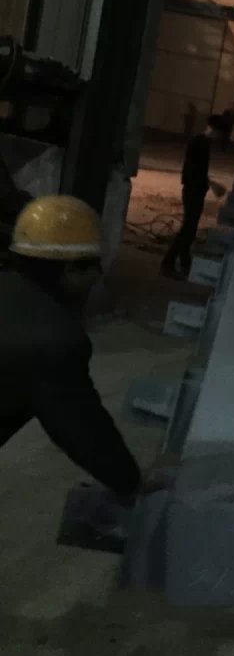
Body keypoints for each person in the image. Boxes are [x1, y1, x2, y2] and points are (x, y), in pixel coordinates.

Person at [0, 195, 142, 501]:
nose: (98, 275)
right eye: (93, 265)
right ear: (70, 271)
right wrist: (132, 484)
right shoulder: (54, 340)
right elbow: (81, 429)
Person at [161, 113, 227, 280]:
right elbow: (194, 170)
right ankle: (168, 262)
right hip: (193, 191)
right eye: (220, 133)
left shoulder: (201, 142)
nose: (219, 137)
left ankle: (185, 263)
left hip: (194, 189)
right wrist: (209, 184)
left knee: (190, 229)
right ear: (215, 130)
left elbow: (196, 169)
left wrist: (208, 183)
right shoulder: (200, 143)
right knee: (188, 229)